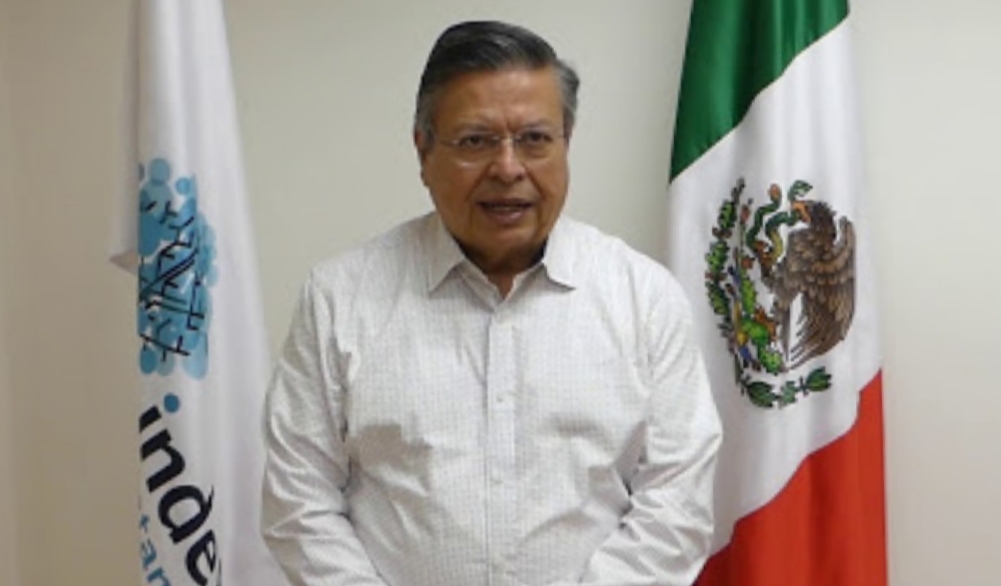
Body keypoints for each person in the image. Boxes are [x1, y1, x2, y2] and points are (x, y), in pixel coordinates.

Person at [261, 20, 721, 586]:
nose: (508, 168)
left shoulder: (643, 298)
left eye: (534, 139)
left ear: (567, 143)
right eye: (475, 141)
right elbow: (300, 505)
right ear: (423, 150)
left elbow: (676, 504)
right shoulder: (339, 299)